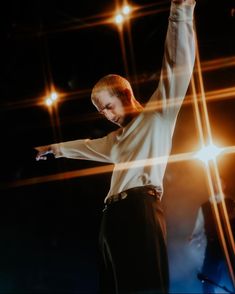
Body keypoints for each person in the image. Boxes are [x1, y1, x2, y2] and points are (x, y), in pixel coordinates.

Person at [35, 0, 196, 293]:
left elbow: (176, 66)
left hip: (139, 208)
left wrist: (181, 10)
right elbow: (85, 146)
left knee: (144, 285)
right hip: (111, 218)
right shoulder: (116, 141)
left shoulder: (157, 115)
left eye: (109, 107)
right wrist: (54, 148)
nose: (108, 116)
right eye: (102, 113)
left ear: (125, 93)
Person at [190, 185, 235, 294]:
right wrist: (193, 237)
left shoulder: (231, 203)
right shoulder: (205, 206)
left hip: (230, 245)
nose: (216, 186)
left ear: (223, 186)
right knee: (208, 279)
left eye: (218, 183)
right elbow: (198, 227)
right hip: (213, 245)